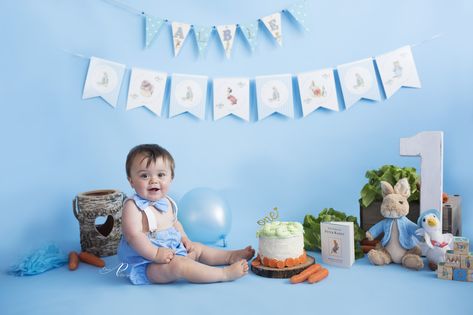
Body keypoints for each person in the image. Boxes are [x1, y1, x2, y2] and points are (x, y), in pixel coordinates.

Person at [118, 144, 255, 285]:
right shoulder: (132, 206)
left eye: (160, 175)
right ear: (131, 181)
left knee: (198, 248)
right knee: (180, 265)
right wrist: (156, 254)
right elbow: (133, 236)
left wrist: (184, 238)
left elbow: (174, 223)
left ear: (171, 178)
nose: (154, 180)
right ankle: (224, 274)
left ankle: (229, 256)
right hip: (148, 264)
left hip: (174, 250)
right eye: (144, 175)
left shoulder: (167, 201)